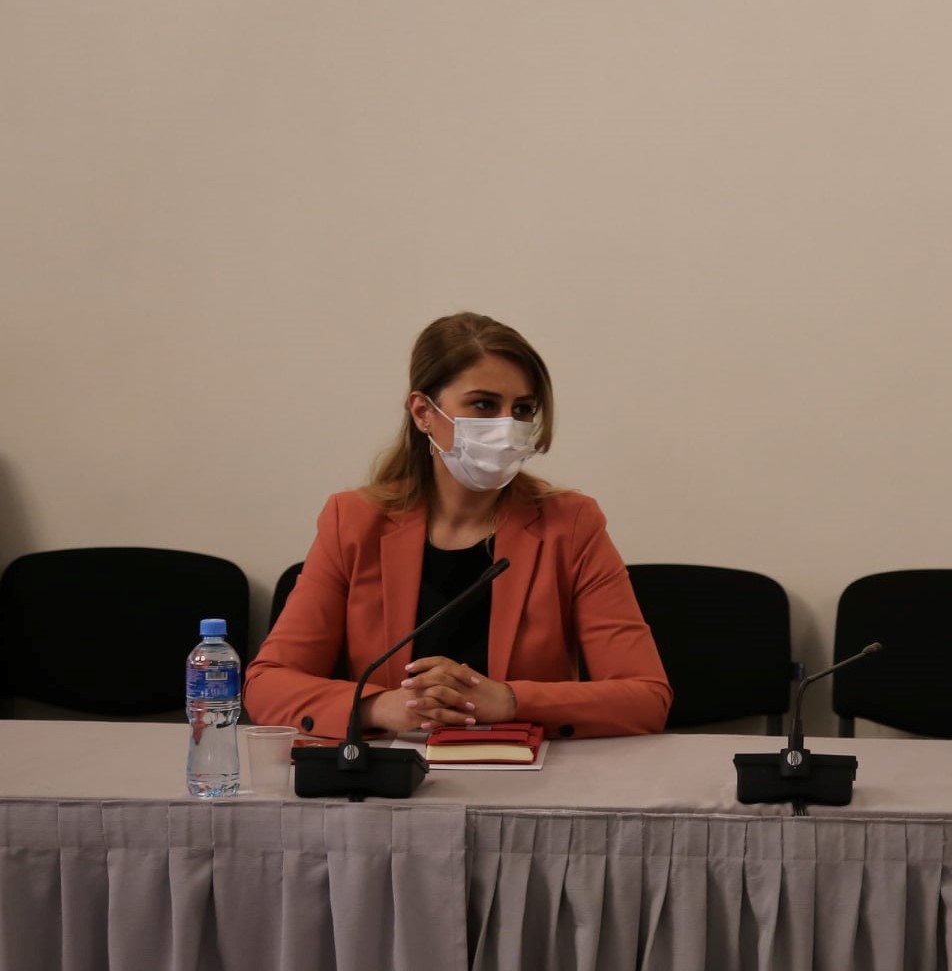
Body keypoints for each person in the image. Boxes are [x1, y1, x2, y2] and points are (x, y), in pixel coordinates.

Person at [246, 312, 671, 740]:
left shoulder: (571, 524)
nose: (507, 427)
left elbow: (646, 697)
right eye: (484, 404)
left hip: (526, 769)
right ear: (423, 412)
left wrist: (511, 701)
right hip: (396, 771)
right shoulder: (354, 522)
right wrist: (378, 706)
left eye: (522, 409)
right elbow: (267, 684)